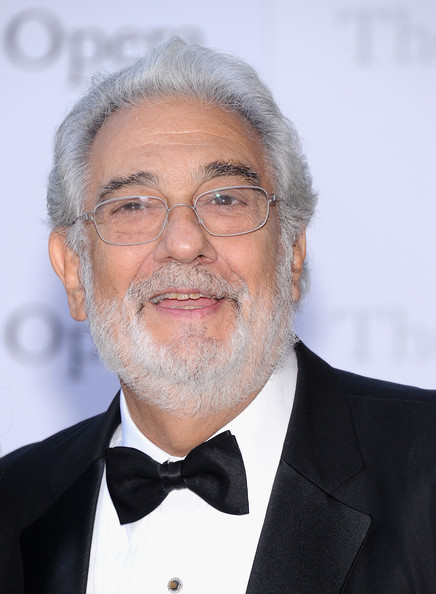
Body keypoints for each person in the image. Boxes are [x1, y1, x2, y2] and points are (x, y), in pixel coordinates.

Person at [1, 37, 436, 594]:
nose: (184, 243)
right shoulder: (13, 503)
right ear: (74, 272)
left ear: (292, 251)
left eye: (226, 199)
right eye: (133, 206)